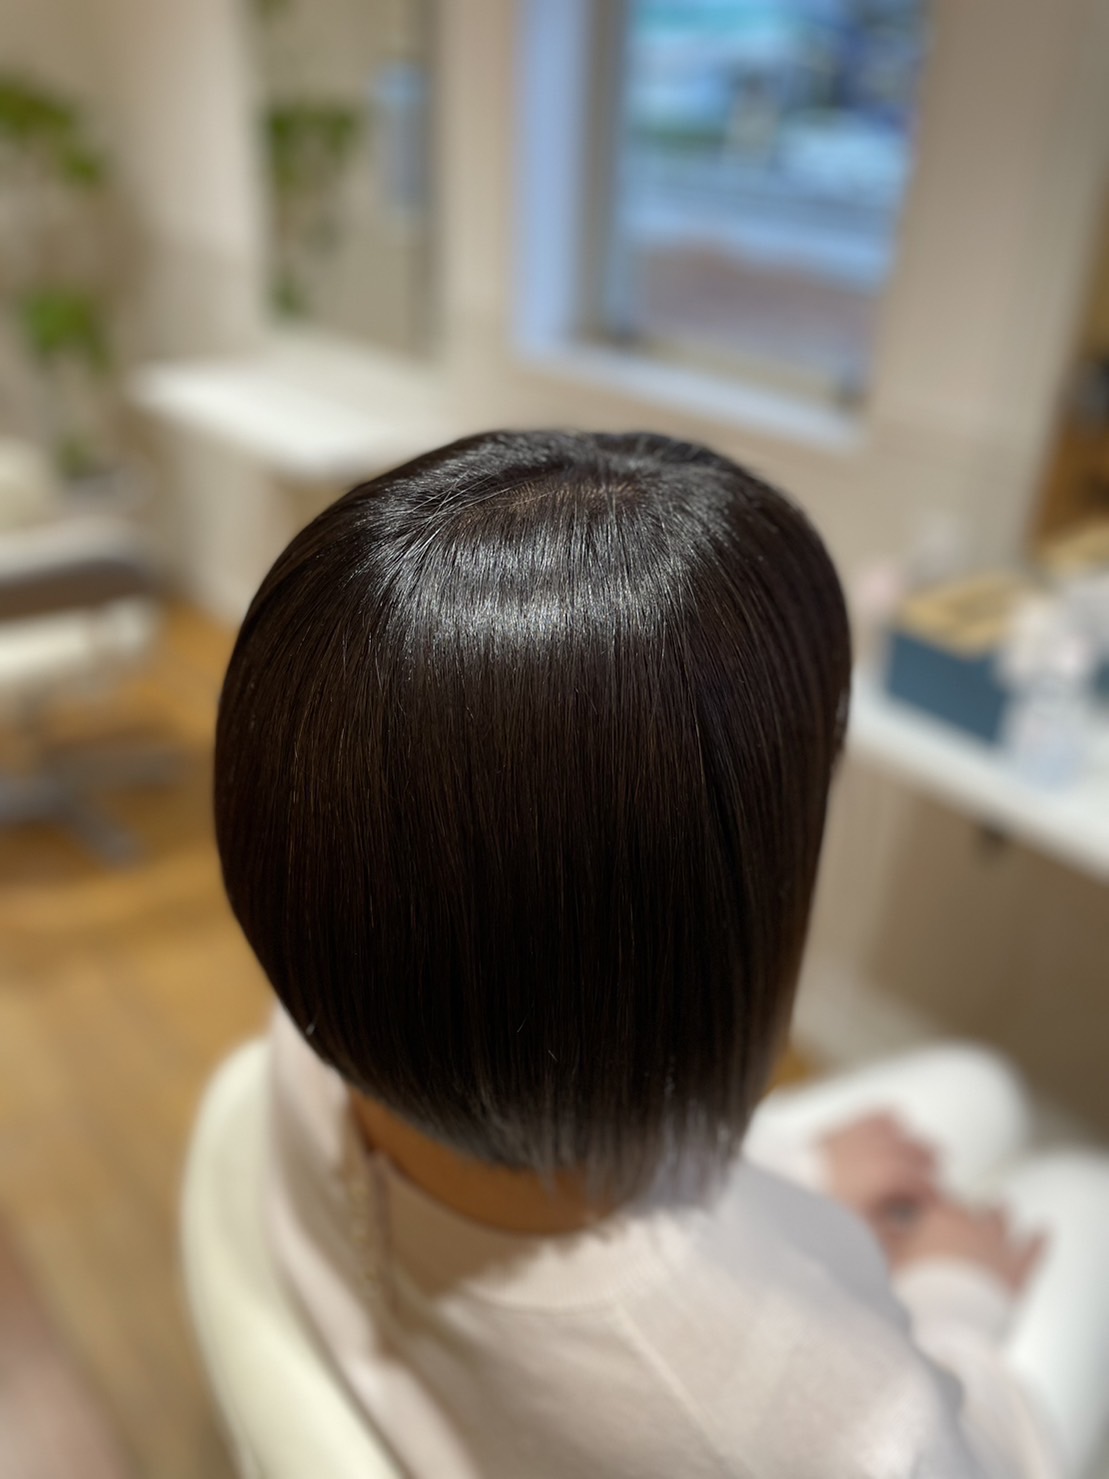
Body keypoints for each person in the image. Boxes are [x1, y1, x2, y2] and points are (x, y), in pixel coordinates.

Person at [213, 430, 1109, 1478]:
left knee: (979, 1087)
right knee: (1080, 1194)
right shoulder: (851, 1428)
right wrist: (956, 1296)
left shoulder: (323, 1029)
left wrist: (803, 1175)